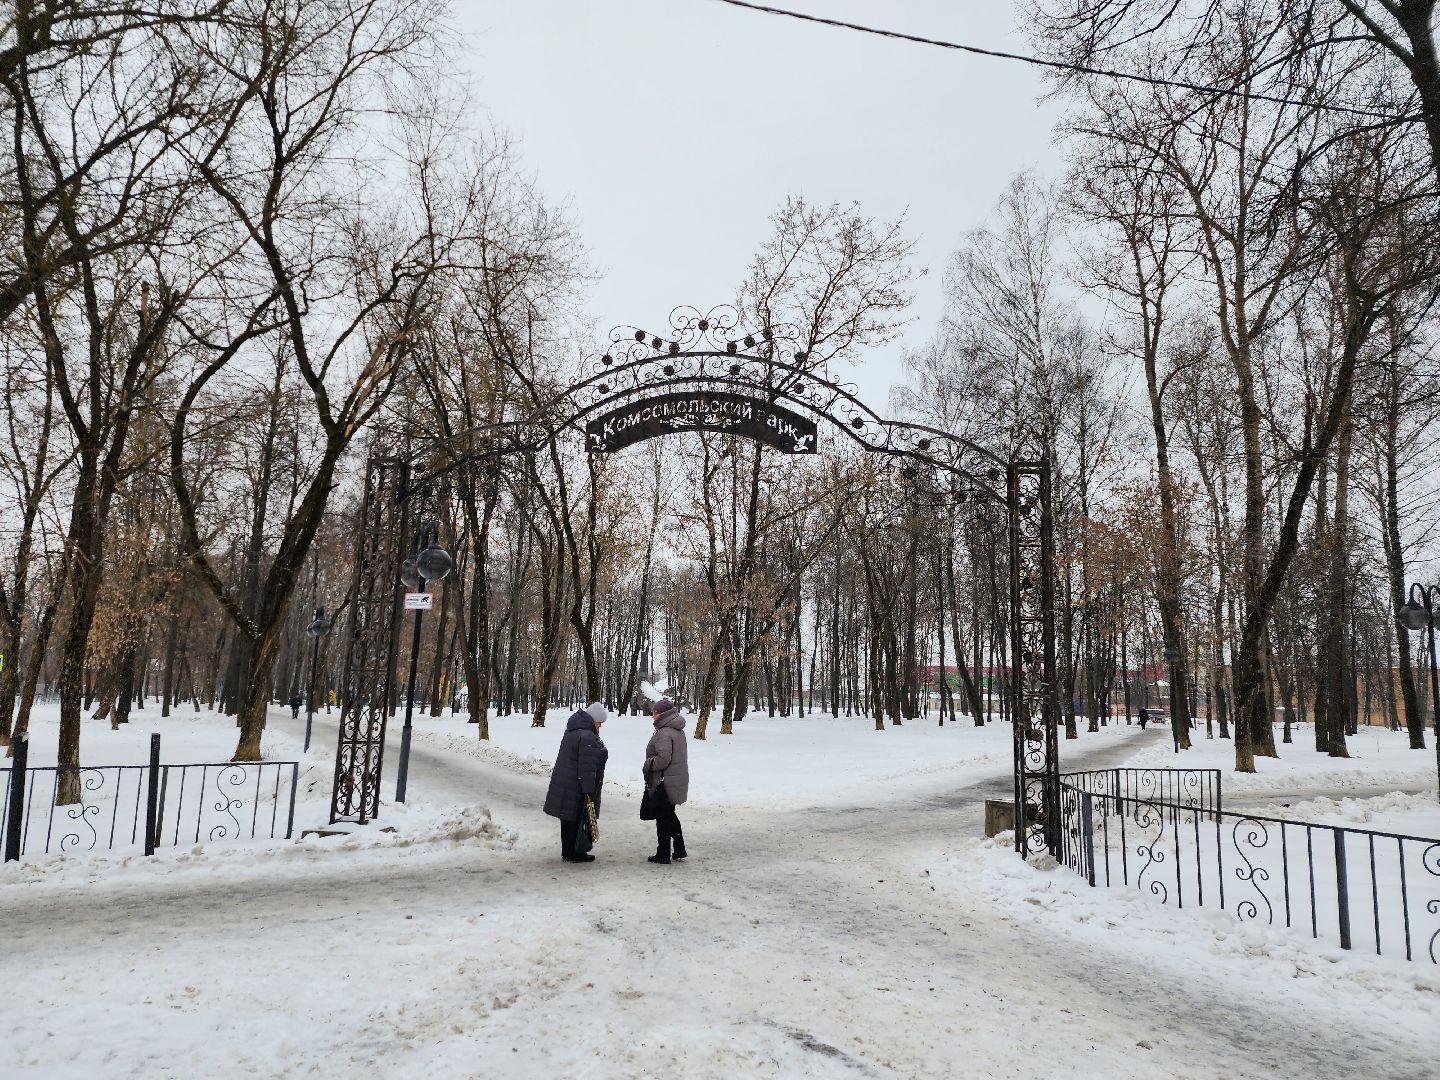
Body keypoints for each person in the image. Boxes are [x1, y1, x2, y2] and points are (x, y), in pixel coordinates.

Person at [543, 702, 609, 863]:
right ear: (593, 719)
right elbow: (586, 768)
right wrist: (589, 791)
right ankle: (576, 853)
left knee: (567, 818)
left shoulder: (572, 731)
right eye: (600, 722)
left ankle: (567, 851)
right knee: (576, 819)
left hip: (566, 781)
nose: (600, 725)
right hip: (577, 785)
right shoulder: (588, 737)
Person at [643, 698, 689, 864]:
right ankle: (679, 849)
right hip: (675, 780)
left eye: (654, 713)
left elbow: (663, 759)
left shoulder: (664, 733)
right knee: (670, 815)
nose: (652, 716)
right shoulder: (676, 730)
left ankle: (663, 854)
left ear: (662, 714)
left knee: (663, 818)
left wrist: (648, 764)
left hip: (665, 782)